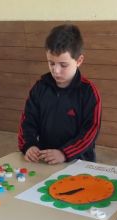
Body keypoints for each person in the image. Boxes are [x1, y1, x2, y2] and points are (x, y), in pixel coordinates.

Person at [18, 24, 101, 165]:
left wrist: (64, 153)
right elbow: (27, 122)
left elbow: (90, 131)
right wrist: (29, 145)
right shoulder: (39, 88)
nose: (56, 71)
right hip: (45, 159)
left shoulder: (88, 92)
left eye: (63, 65)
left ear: (79, 61)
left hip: (79, 161)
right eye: (51, 63)